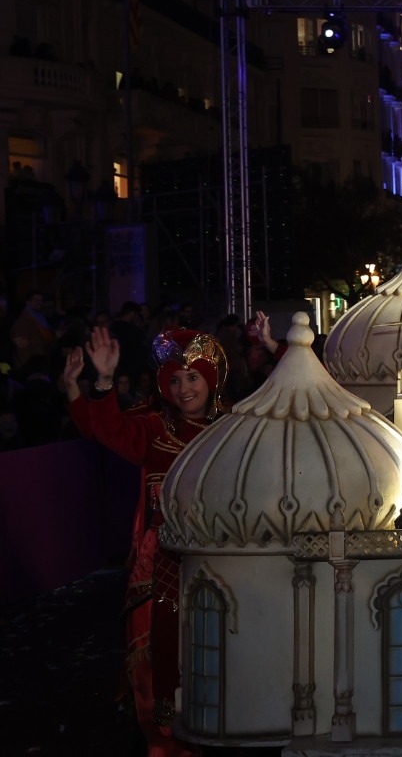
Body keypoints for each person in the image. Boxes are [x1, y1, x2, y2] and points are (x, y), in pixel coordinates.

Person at [64, 324, 230, 757]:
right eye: (174, 380)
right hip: (161, 567)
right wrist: (100, 382)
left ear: (210, 380)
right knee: (153, 662)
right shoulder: (154, 427)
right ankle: (164, 745)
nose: (183, 388)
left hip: (225, 561)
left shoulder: (236, 429)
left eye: (192, 377)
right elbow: (109, 430)